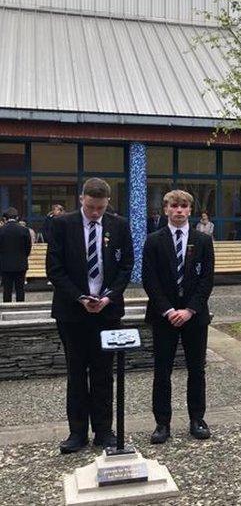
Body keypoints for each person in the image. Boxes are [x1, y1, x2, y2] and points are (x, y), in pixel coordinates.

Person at [46, 178, 134, 453]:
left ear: (107, 202)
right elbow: (54, 268)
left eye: (100, 208)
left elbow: (126, 265)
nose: (95, 213)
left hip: (107, 311)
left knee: (103, 372)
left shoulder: (119, 225)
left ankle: (104, 431)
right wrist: (80, 297)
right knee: (76, 371)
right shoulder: (62, 225)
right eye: (91, 207)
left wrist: (108, 296)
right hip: (72, 312)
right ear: (82, 198)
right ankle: (77, 432)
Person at [142, 190, 215, 443]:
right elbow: (149, 279)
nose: (179, 210)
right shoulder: (153, 241)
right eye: (174, 206)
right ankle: (162, 423)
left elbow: (207, 279)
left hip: (194, 316)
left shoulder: (203, 241)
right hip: (165, 316)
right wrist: (169, 310)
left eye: (184, 206)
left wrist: (190, 310)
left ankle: (197, 419)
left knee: (196, 370)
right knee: (162, 371)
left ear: (190, 210)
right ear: (166, 210)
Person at [0, 208, 32, 302]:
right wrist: (23, 256)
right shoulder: (24, 230)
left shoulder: (1, 230)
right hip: (20, 263)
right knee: (20, 288)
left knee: (7, 289)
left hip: (5, 264)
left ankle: (7, 306)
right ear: (17, 217)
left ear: (6, 218)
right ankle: (21, 306)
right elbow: (28, 247)